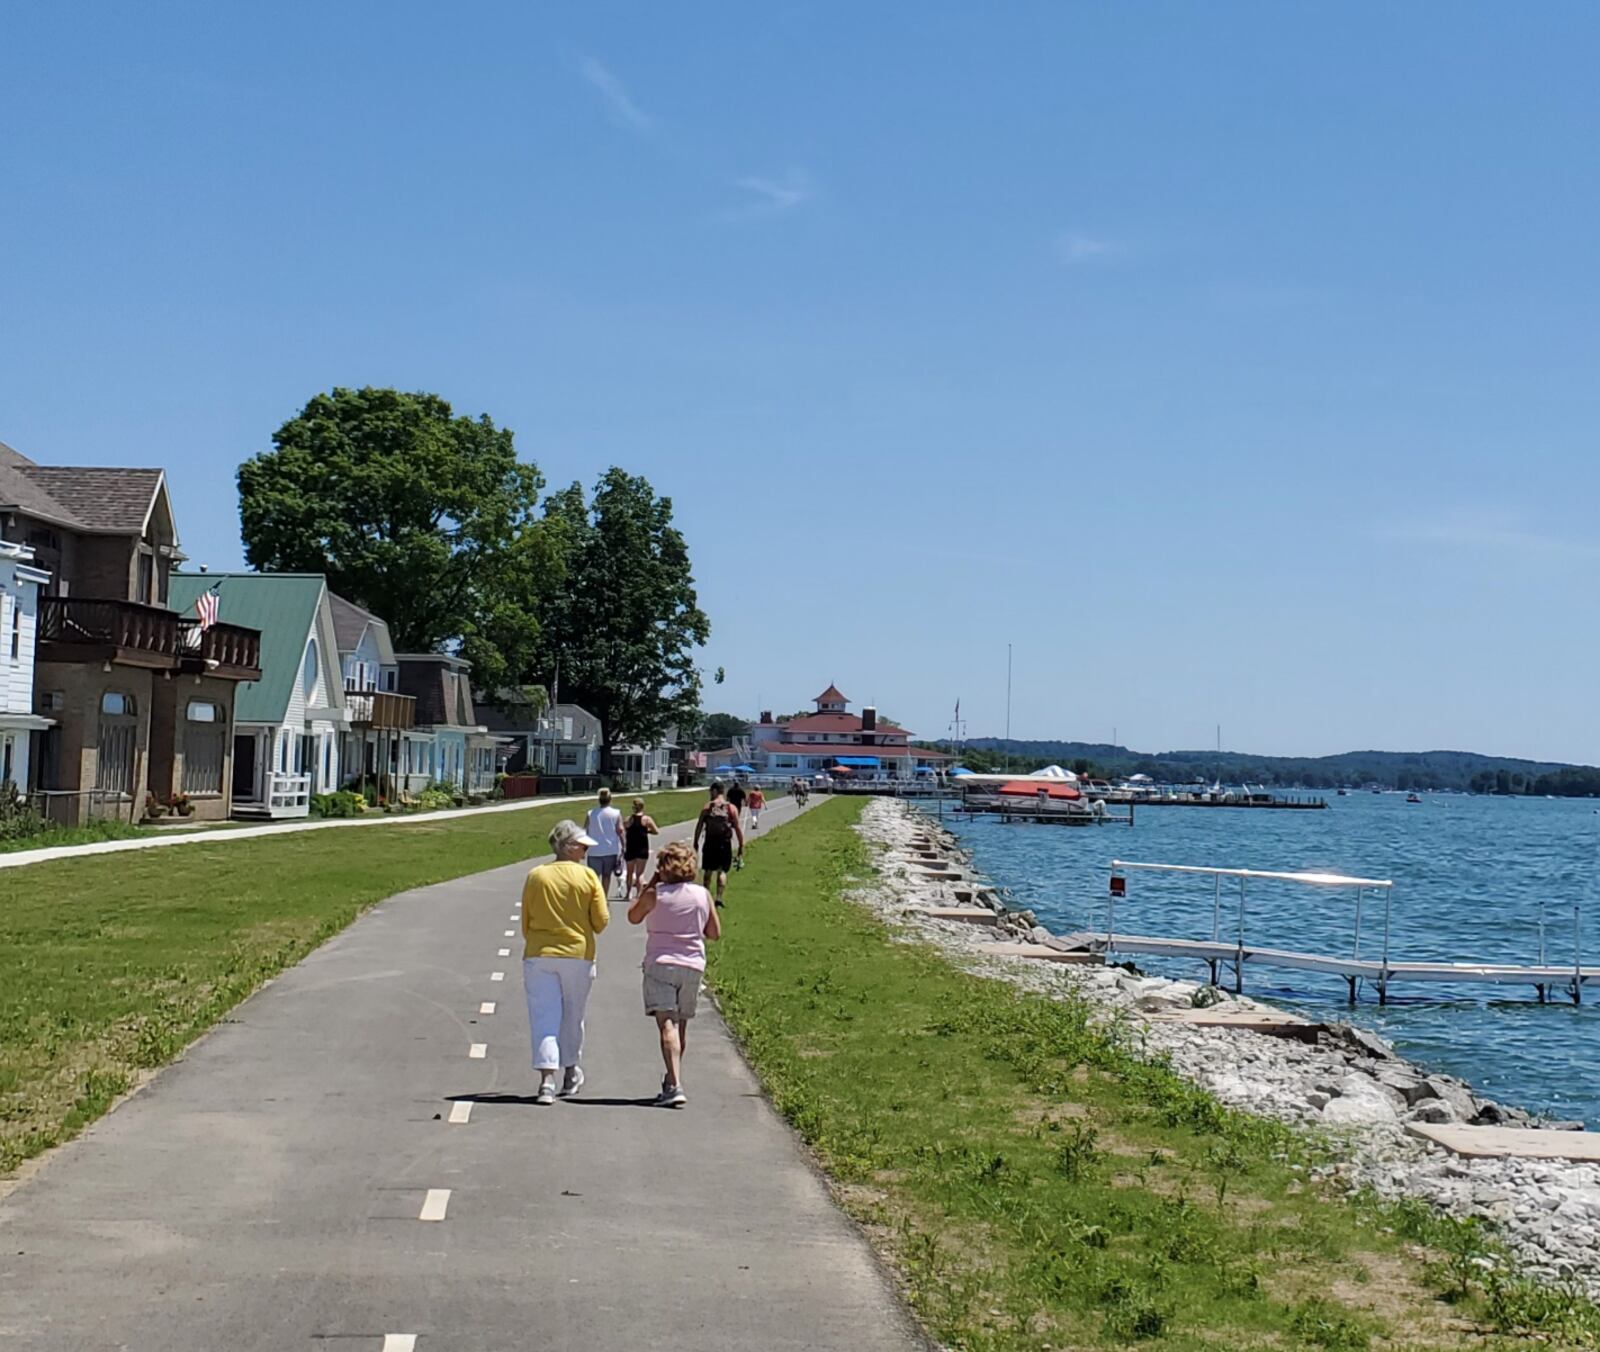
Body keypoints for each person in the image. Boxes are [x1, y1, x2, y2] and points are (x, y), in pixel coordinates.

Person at [521, 819, 611, 1105]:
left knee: (544, 1017)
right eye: (582, 846)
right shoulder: (587, 877)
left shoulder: (536, 876)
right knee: (574, 1015)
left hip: (540, 953)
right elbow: (601, 922)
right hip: (578, 955)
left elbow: (526, 920)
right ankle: (571, 1071)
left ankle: (547, 1080)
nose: (585, 851)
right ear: (569, 847)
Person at [627, 840, 719, 1107]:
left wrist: (652, 882)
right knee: (681, 1025)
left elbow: (633, 916)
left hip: (660, 963)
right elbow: (714, 933)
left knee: (667, 1024)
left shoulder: (656, 895)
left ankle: (675, 1084)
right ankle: (672, 1079)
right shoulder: (702, 894)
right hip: (692, 965)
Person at [693, 780, 744, 906]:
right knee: (722, 871)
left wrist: (695, 841)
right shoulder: (731, 808)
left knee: (708, 871)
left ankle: (706, 896)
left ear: (715, 791)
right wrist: (741, 846)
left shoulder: (707, 807)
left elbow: (699, 826)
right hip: (724, 844)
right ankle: (719, 898)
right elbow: (737, 828)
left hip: (710, 842)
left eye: (711, 791)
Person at [585, 788, 624, 898]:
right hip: (610, 849)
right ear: (610, 799)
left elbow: (585, 830)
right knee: (606, 876)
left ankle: (593, 897)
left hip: (594, 850)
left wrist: (583, 847)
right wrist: (624, 846)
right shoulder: (616, 813)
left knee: (593, 877)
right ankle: (603, 897)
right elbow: (620, 831)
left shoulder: (591, 813)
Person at [622, 796, 659, 899]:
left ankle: (628, 893)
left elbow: (624, 829)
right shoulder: (646, 819)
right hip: (642, 848)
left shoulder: (628, 819)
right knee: (640, 873)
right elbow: (656, 831)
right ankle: (639, 894)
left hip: (631, 848)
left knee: (629, 872)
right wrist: (647, 831)